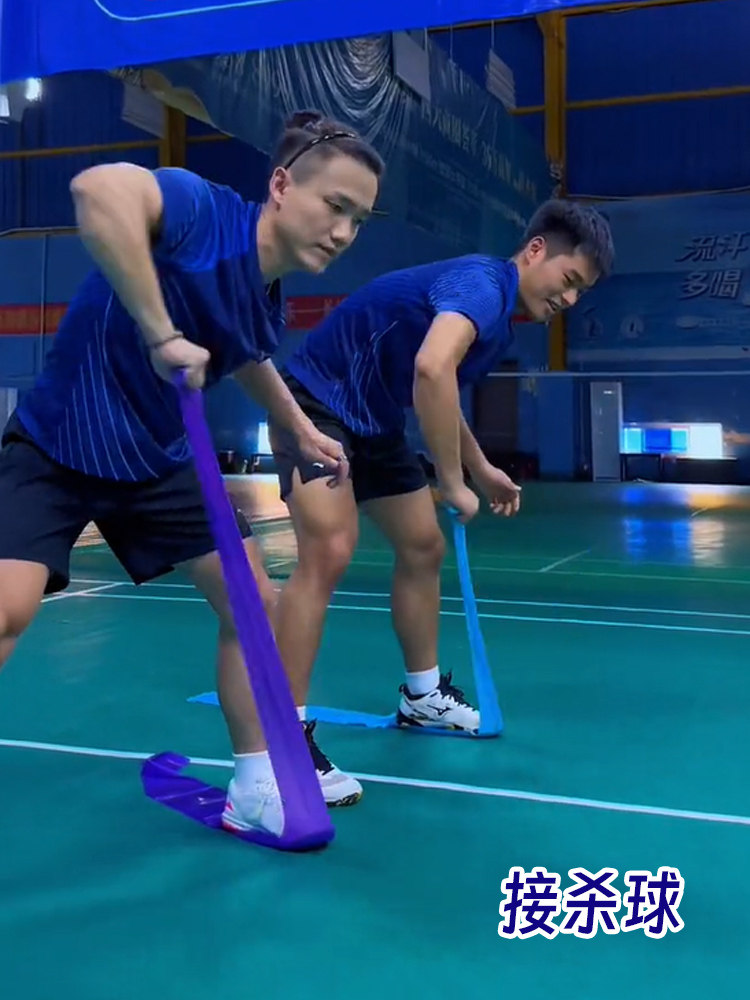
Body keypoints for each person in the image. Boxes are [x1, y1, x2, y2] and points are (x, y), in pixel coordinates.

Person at [0, 110, 384, 838]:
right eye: (335, 205)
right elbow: (96, 191)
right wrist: (161, 331)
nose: (343, 232)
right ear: (281, 185)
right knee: (5, 612)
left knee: (255, 607)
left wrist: (297, 428)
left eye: (358, 221)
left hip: (159, 461)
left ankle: (255, 786)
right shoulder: (200, 209)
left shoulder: (265, 299)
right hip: (59, 443)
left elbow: (246, 351)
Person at [270, 199, 614, 803]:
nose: (569, 299)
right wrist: (452, 481)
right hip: (316, 402)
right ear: (535, 251)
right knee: (328, 551)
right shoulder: (483, 284)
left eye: (580, 292)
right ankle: (281, 739)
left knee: (423, 546)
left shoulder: (497, 317)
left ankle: (422, 695)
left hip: (373, 418)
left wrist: (480, 468)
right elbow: (431, 368)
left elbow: (441, 388)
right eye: (568, 280)